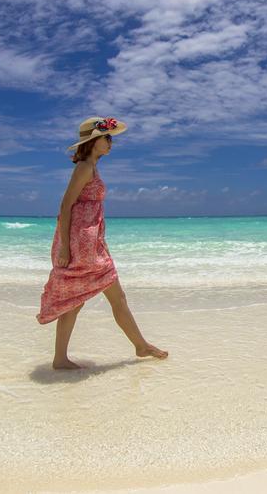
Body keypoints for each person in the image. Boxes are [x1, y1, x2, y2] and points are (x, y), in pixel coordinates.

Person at [37, 116, 167, 369]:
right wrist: (65, 246)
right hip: (81, 245)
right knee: (101, 299)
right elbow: (65, 205)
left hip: (91, 243)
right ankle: (139, 346)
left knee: (83, 301)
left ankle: (63, 358)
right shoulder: (85, 167)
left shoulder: (91, 167)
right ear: (94, 141)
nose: (110, 142)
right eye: (106, 138)